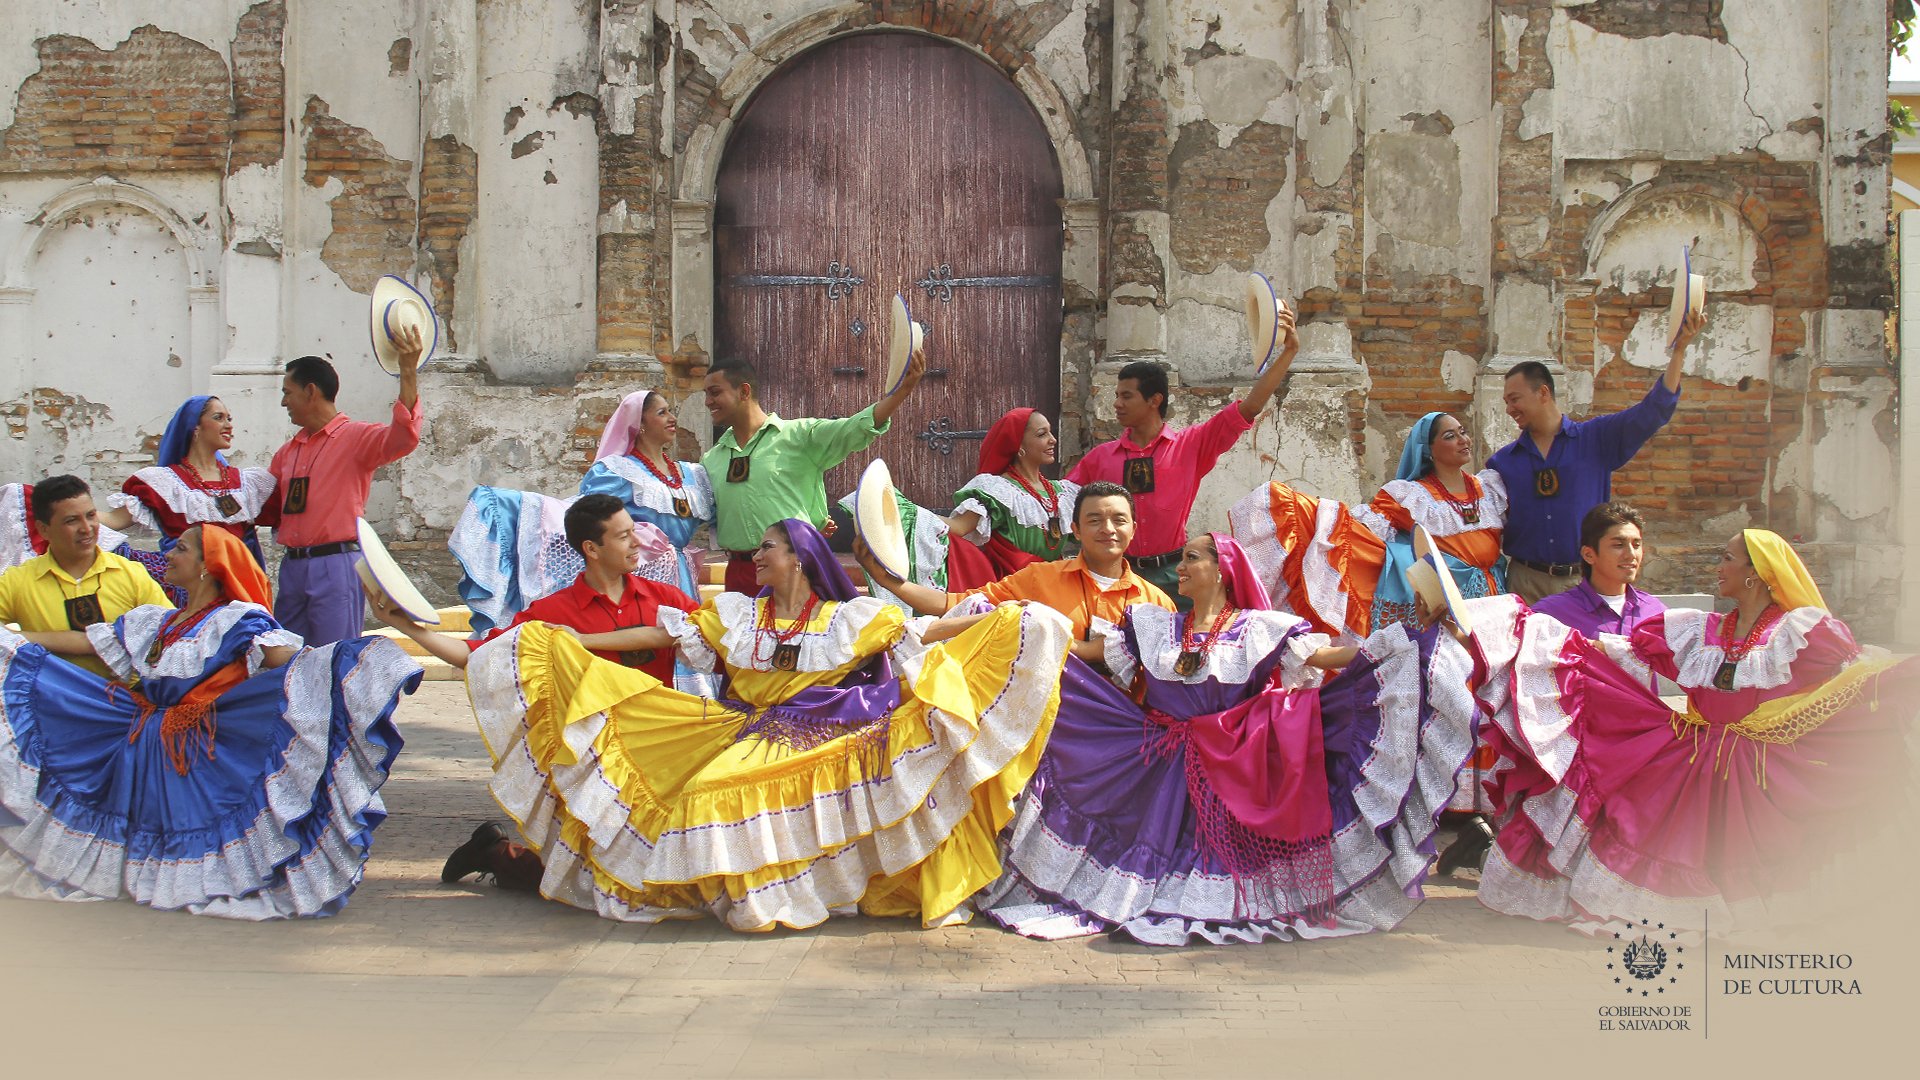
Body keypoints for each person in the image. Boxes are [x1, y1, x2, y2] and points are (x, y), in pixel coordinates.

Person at [452, 518, 1074, 930]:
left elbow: (925, 631)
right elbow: (658, 632)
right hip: (742, 729)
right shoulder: (737, 617)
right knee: (676, 805)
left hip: (823, 731)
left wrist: (1009, 617)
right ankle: (511, 861)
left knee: (710, 803)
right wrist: (577, 639)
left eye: (768, 548)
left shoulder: (847, 618)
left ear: (798, 559)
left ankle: (766, 895)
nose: (757, 555)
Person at [979, 533, 1482, 945]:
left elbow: (1326, 660)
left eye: (1192, 558)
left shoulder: (1260, 629)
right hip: (1159, 758)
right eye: (1180, 559)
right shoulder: (1154, 626)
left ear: (1222, 570)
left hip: (1231, 762)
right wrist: (1028, 631)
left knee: (1213, 858)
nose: (1180, 567)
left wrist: (1413, 639)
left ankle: (1206, 905)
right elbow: (1089, 653)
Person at [1457, 530, 1917, 931]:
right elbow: (1607, 653)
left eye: (1728, 558)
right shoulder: (1701, 630)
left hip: (1758, 771)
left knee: (1747, 860)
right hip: (1692, 759)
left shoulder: (1802, 632)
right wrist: (1510, 635)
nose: (1720, 567)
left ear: (1755, 574)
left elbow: (1853, 677)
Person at [0, 525, 419, 918]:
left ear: (207, 564)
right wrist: (20, 639)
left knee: (190, 827)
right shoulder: (156, 621)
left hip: (193, 750)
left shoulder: (236, 620)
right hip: (140, 743)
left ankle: (181, 882)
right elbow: (84, 640)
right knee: (38, 680)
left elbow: (285, 660)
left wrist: (347, 662)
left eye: (181, 547)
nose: (170, 552)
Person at [450, 387, 714, 695]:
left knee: (684, 634)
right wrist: (638, 534)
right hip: (642, 569)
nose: (671, 418)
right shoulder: (619, 471)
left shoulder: (691, 473)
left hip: (678, 572)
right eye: (661, 412)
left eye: (670, 410)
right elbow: (591, 515)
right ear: (639, 424)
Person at [1067, 306, 1299, 605]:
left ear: (1154, 400)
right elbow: (1060, 504)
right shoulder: (1099, 458)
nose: (1116, 404)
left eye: (1126, 396)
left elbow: (1250, 407)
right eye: (1117, 396)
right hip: (1116, 574)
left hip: (1175, 577)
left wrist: (1289, 352)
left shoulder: (1191, 445)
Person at [1229, 411, 1507, 643]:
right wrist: (1308, 516)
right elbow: (1361, 534)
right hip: (1445, 601)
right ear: (1428, 451)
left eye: (1462, 432)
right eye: (1450, 436)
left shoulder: (1490, 487)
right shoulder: (1408, 496)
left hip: (1495, 594)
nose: (1463, 440)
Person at [1491, 310, 1701, 603]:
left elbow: (1652, 411)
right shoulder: (1502, 462)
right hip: (1525, 583)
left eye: (1514, 399)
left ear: (1542, 393)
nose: (1509, 409)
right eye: (1506, 402)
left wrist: (1679, 351)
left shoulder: (1595, 439)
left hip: (1583, 581)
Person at [703, 348, 926, 595]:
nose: (707, 402)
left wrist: (902, 392)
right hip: (738, 573)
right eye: (706, 394)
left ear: (744, 391)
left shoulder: (799, 436)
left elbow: (855, 428)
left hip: (793, 568)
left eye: (715, 393)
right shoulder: (712, 459)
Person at [854, 481, 1174, 654]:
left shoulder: (1157, 602)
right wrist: (891, 582)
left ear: (1133, 528)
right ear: (1075, 530)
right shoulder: (1039, 579)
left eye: (1119, 520)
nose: (1108, 529)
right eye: (1094, 520)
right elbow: (954, 605)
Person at [269, 325, 425, 645]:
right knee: (284, 661)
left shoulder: (356, 438)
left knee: (334, 657)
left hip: (335, 564)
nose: (284, 402)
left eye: (288, 392)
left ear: (310, 391)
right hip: (292, 567)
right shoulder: (287, 452)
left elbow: (403, 436)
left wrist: (407, 372)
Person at [100, 395, 279, 595]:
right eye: (219, 417)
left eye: (229, 419)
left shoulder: (248, 483)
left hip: (236, 587)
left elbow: (291, 519)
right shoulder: (164, 483)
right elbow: (113, 520)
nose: (228, 425)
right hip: (187, 589)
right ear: (196, 428)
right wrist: (70, 509)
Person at [0, 475, 171, 677]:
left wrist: (22, 636)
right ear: (44, 530)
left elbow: (169, 632)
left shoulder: (130, 572)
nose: (87, 528)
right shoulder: (18, 580)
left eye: (91, 516)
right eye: (72, 520)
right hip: (55, 702)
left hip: (126, 701)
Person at [949, 408, 1081, 575]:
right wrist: (908, 512)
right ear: (1018, 445)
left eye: (1050, 432)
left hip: (1054, 587)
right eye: (1042, 434)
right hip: (1010, 590)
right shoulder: (998, 491)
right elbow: (959, 527)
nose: (1053, 440)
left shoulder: (1063, 493)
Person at [1528, 501, 1666, 640]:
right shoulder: (1552, 614)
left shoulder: (1656, 612)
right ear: (1589, 554)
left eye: (1636, 545)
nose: (1631, 554)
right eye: (1618, 545)